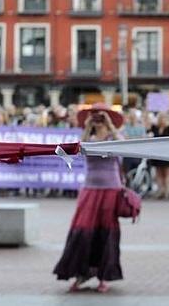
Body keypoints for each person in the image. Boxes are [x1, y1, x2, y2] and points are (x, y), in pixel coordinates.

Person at [53, 104, 125, 293]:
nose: (98, 120)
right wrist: (86, 127)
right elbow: (77, 150)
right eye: (95, 117)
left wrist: (110, 126)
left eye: (101, 116)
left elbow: (123, 148)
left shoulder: (113, 137)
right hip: (90, 189)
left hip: (111, 189)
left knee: (106, 233)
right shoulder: (88, 138)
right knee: (82, 232)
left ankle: (104, 276)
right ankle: (80, 274)